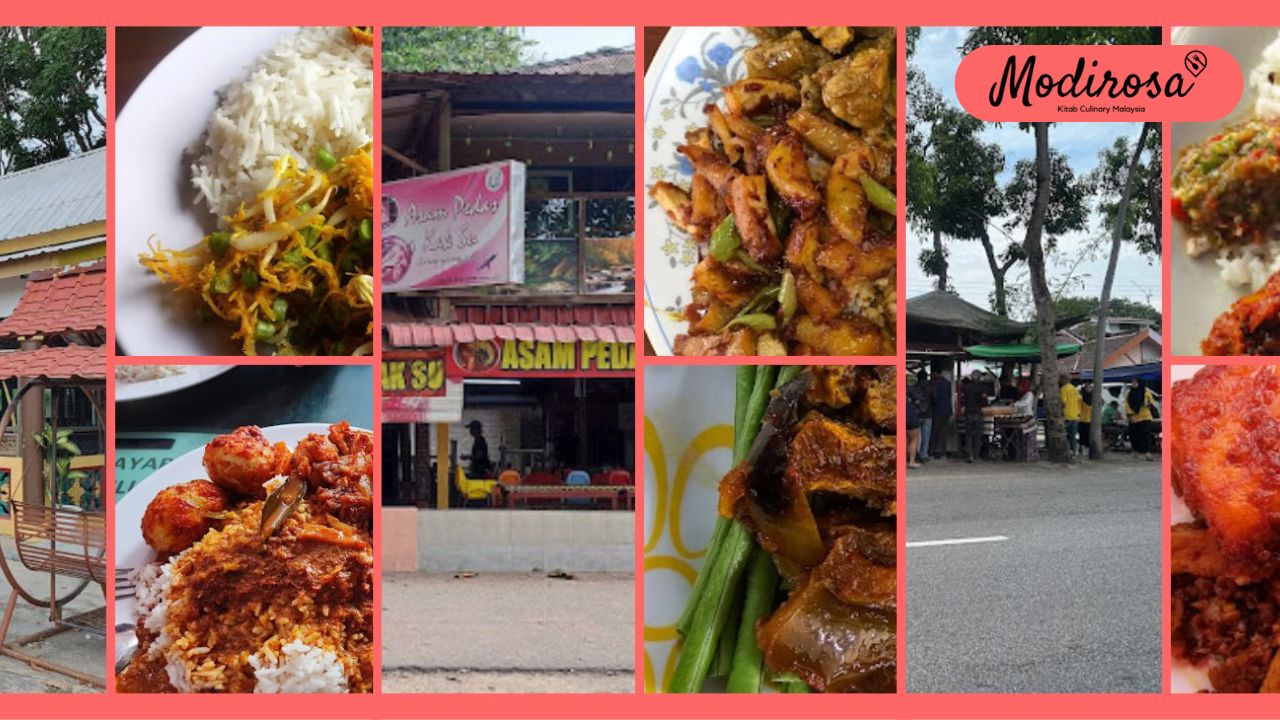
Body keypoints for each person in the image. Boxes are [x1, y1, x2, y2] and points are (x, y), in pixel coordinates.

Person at [1126, 378, 1157, 461]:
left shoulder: (1146, 392)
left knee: (1145, 435)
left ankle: (1147, 452)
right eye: (1132, 382)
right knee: (1134, 435)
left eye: (1135, 382)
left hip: (1145, 416)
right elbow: (1126, 404)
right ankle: (1135, 451)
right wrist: (1130, 415)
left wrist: (1148, 404)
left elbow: (1152, 402)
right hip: (1133, 417)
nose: (1133, 384)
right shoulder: (1129, 393)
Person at [961, 369, 988, 462]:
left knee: (968, 435)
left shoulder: (966, 387)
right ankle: (976, 455)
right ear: (979, 378)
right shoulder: (981, 388)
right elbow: (984, 402)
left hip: (968, 413)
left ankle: (969, 455)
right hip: (977, 413)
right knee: (977, 435)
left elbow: (962, 400)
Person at [929, 369, 953, 460]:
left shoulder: (935, 384)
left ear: (936, 373)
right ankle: (943, 453)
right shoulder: (948, 383)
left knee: (934, 432)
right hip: (946, 411)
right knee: (943, 433)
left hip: (937, 411)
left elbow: (934, 397)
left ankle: (931, 452)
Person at [1059, 374, 1083, 461]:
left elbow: (1063, 403)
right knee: (1073, 436)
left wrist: (1058, 410)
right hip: (1075, 416)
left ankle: (1065, 452)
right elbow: (1079, 400)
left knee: (1063, 435)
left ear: (1063, 379)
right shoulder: (1074, 389)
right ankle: (1074, 452)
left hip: (1066, 416)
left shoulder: (1063, 389)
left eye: (1060, 379)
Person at [906, 376, 923, 468]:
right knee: (913, 439)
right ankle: (911, 462)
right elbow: (917, 401)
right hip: (911, 416)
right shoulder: (911, 389)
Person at [916, 369, 933, 462]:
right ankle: (923, 454)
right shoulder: (930, 387)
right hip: (928, 414)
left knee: (916, 436)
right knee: (926, 436)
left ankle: (916, 454)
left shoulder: (914, 387)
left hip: (917, 414)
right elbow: (934, 399)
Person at [1078, 381, 1093, 457]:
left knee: (1088, 435)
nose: (1088, 389)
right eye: (1087, 388)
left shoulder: (1094, 397)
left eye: (1089, 388)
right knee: (1082, 434)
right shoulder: (1081, 397)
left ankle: (1087, 448)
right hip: (1082, 419)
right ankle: (1082, 447)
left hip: (1090, 419)